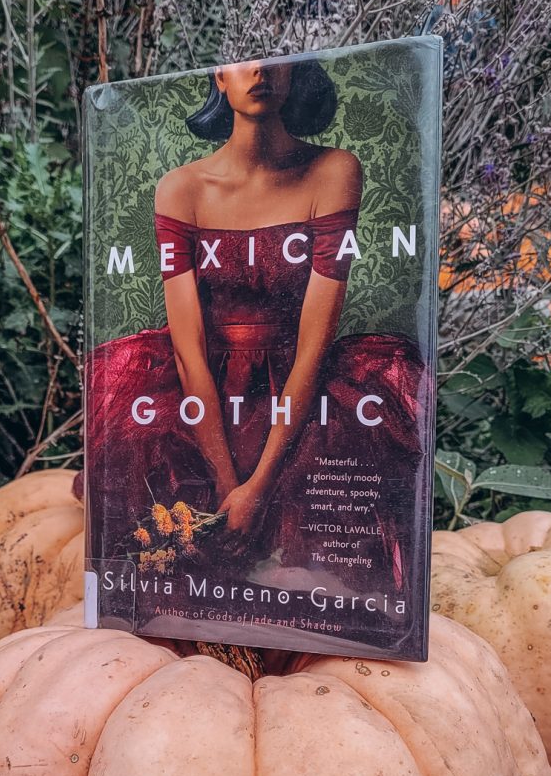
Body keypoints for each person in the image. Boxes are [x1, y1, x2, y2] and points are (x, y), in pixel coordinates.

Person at [84, 55, 426, 595]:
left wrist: (259, 487)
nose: (261, 71)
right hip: (205, 389)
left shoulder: (334, 170)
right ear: (219, 77)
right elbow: (187, 348)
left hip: (301, 382)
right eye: (244, 62)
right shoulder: (180, 188)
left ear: (295, 75)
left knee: (319, 564)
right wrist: (225, 478)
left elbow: (316, 342)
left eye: (277, 61)